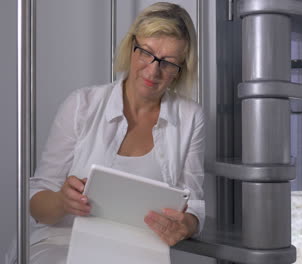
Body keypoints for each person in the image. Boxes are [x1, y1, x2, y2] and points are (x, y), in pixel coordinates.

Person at [6, 2, 204, 263]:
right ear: (131, 47)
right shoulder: (81, 105)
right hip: (61, 241)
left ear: (181, 70)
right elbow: (36, 202)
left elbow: (195, 205)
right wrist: (62, 202)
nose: (153, 71)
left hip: (140, 249)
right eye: (146, 52)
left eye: (168, 63)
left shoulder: (190, 117)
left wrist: (186, 225)